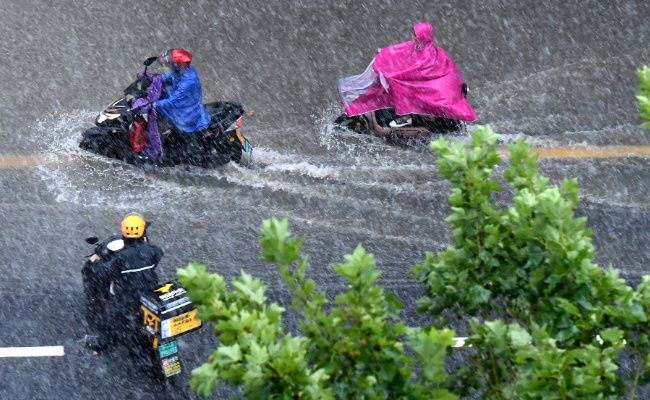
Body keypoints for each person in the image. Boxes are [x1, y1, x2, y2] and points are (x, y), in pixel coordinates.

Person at [338, 22, 477, 127]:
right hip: (427, 86)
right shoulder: (424, 49)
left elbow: (417, 72)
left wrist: (395, 75)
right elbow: (399, 52)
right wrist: (384, 57)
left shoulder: (427, 55)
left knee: (399, 84)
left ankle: (407, 116)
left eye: (415, 36)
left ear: (422, 37)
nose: (413, 38)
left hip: (427, 88)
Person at [85, 213, 164, 352]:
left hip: (127, 296)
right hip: (149, 291)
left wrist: (95, 261)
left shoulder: (121, 256)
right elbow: (159, 254)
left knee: (108, 316)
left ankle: (102, 343)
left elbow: (105, 271)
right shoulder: (151, 251)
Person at [156, 48, 211, 133]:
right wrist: (154, 78)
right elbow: (171, 76)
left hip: (185, 117)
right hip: (182, 110)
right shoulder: (185, 69)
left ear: (176, 66)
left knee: (156, 130)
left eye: (170, 65)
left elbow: (171, 102)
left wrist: (152, 105)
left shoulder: (188, 82)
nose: (170, 68)